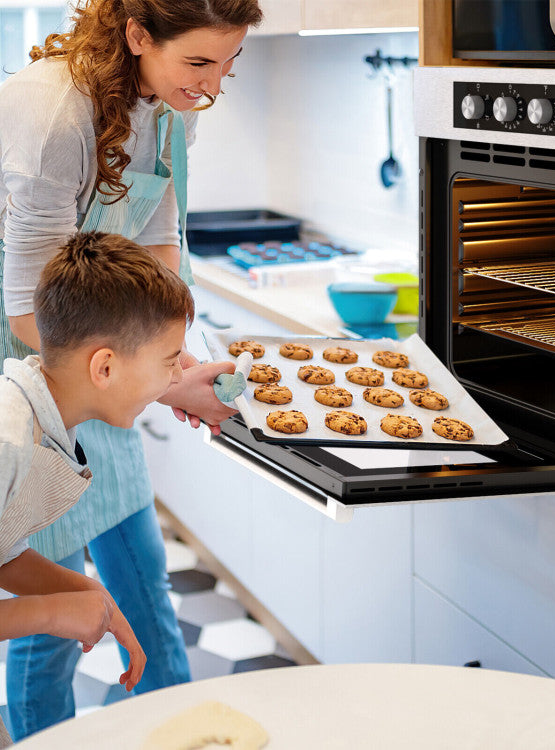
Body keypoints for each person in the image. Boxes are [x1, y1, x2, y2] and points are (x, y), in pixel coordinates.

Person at [0, 0, 262, 740]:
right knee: (48, 633)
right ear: (139, 36)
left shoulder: (171, 106)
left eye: (228, 64)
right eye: (199, 63)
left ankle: (161, 728)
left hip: (108, 372)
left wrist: (177, 362)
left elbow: (155, 248)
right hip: (38, 374)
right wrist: (168, 380)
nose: (212, 86)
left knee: (143, 590)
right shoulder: (53, 115)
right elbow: (32, 313)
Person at [0, 230, 197, 747]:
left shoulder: (42, 420)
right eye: (170, 360)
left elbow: (3, 553)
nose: (177, 375)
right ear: (105, 367)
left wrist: (87, 592)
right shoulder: (8, 442)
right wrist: (52, 611)